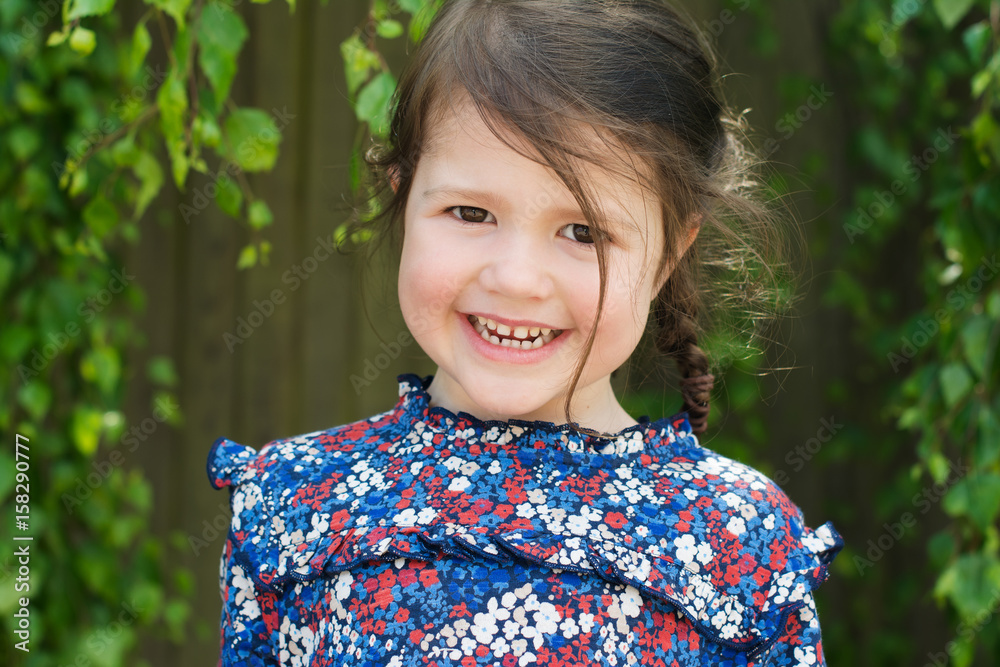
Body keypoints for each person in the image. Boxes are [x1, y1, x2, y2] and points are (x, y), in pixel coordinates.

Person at [207, 0, 843, 664]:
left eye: (584, 232)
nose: (516, 278)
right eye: (471, 211)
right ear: (403, 193)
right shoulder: (295, 504)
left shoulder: (740, 541)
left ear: (668, 255)